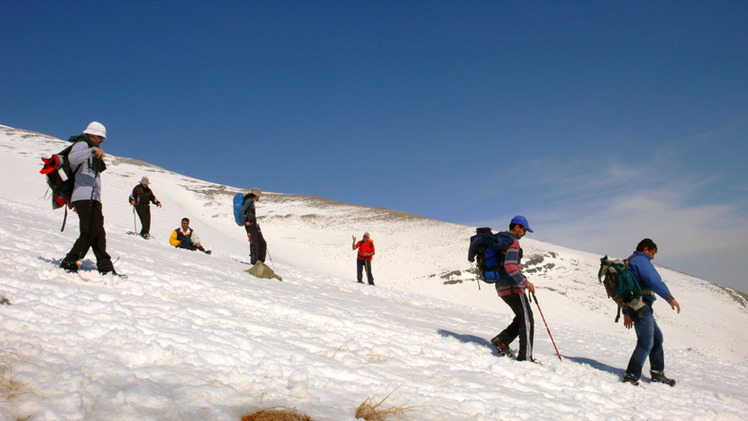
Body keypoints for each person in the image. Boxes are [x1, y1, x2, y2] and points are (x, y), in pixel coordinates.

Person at [59, 121, 118, 275]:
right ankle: (70, 260)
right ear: (91, 134)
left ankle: (106, 267)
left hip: (92, 198)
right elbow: (73, 158)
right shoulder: (82, 144)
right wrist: (92, 150)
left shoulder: (89, 147)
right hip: (83, 196)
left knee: (98, 232)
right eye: (100, 137)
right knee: (89, 232)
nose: (102, 140)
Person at [622, 238, 681, 386]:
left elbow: (624, 291)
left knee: (656, 338)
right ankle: (630, 377)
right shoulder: (641, 261)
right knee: (645, 342)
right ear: (646, 249)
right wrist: (669, 298)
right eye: (652, 253)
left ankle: (657, 374)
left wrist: (626, 312)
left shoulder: (631, 261)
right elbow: (654, 281)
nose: (653, 257)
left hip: (636, 306)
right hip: (642, 306)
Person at [489, 215, 535, 361]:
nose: (525, 233)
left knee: (522, 318)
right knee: (527, 320)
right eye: (524, 230)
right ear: (517, 227)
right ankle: (525, 358)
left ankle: (501, 340)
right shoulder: (513, 243)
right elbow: (510, 266)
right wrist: (525, 283)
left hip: (501, 287)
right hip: (513, 287)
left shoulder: (501, 242)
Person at [240, 187, 267, 264]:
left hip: (253, 224)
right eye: (258, 195)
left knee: (262, 243)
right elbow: (242, 211)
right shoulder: (249, 201)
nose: (259, 197)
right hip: (250, 224)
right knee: (255, 243)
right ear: (256, 195)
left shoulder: (251, 201)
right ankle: (255, 262)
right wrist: (244, 222)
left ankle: (260, 262)